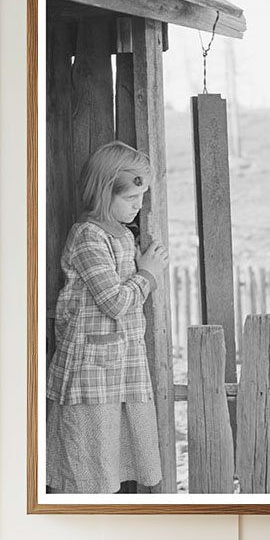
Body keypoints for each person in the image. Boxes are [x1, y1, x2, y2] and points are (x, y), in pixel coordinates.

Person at [45, 141, 168, 493]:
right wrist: (147, 274)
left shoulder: (123, 237)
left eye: (140, 199)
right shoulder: (87, 236)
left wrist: (143, 266)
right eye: (131, 199)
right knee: (89, 468)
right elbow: (113, 302)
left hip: (121, 367)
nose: (138, 206)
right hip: (91, 373)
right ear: (104, 191)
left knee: (111, 464)